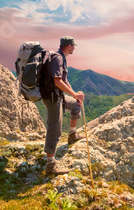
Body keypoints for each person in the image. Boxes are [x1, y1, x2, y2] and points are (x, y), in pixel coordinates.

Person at [40, 36, 85, 175]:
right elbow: (58, 81)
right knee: (55, 128)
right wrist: (74, 94)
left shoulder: (62, 58)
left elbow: (64, 80)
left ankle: (72, 135)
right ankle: (50, 165)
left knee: (76, 105)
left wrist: (75, 96)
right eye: (74, 46)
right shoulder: (58, 58)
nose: (74, 48)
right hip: (52, 98)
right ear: (69, 46)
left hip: (58, 95)